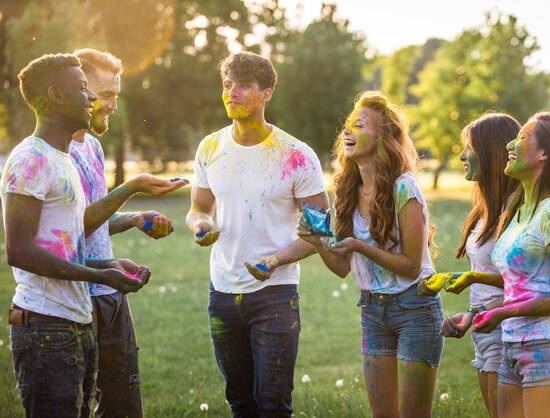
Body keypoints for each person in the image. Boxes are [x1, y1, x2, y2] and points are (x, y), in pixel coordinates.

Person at [0, 53, 146, 418]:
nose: (93, 99)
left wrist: (110, 263)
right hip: (44, 328)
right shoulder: (30, 159)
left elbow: (67, 246)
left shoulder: (63, 158)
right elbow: (19, 251)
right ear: (56, 95)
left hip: (75, 321)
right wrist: (99, 276)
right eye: (83, 89)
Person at [186, 51, 329, 417]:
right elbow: (198, 208)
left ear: (266, 93)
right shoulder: (210, 147)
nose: (232, 93)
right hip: (221, 292)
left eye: (244, 85)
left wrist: (278, 258)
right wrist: (200, 225)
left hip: (275, 295)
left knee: (273, 403)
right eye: (227, 85)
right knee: (239, 401)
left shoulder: (297, 155)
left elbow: (322, 232)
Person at [446, 112, 550, 418]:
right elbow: (523, 282)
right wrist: (474, 290)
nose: (511, 143)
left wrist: (503, 312)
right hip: (513, 347)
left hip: (548, 349)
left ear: (544, 153)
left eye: (522, 138)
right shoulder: (519, 213)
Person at [298, 91, 443, 418]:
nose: (348, 131)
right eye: (348, 126)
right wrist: (317, 239)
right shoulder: (347, 190)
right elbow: (341, 268)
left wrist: (360, 246)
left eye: (359, 125)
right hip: (372, 310)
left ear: (384, 137)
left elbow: (409, 266)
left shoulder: (404, 188)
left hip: (415, 307)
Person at [69, 48, 188, 418]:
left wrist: (134, 218)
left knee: (123, 406)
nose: (112, 105)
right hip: (76, 295)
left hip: (112, 294)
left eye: (116, 95)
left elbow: (96, 221)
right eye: (106, 95)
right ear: (79, 90)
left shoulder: (92, 147)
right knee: (77, 405)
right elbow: (73, 228)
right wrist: (131, 187)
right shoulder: (58, 154)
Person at [437, 112, 520, 418]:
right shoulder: (485, 210)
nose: (461, 155)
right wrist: (471, 314)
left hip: (507, 330)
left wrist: (474, 286)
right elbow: (491, 277)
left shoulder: (517, 212)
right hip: (484, 330)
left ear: (491, 151)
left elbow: (525, 283)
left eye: (469, 147)